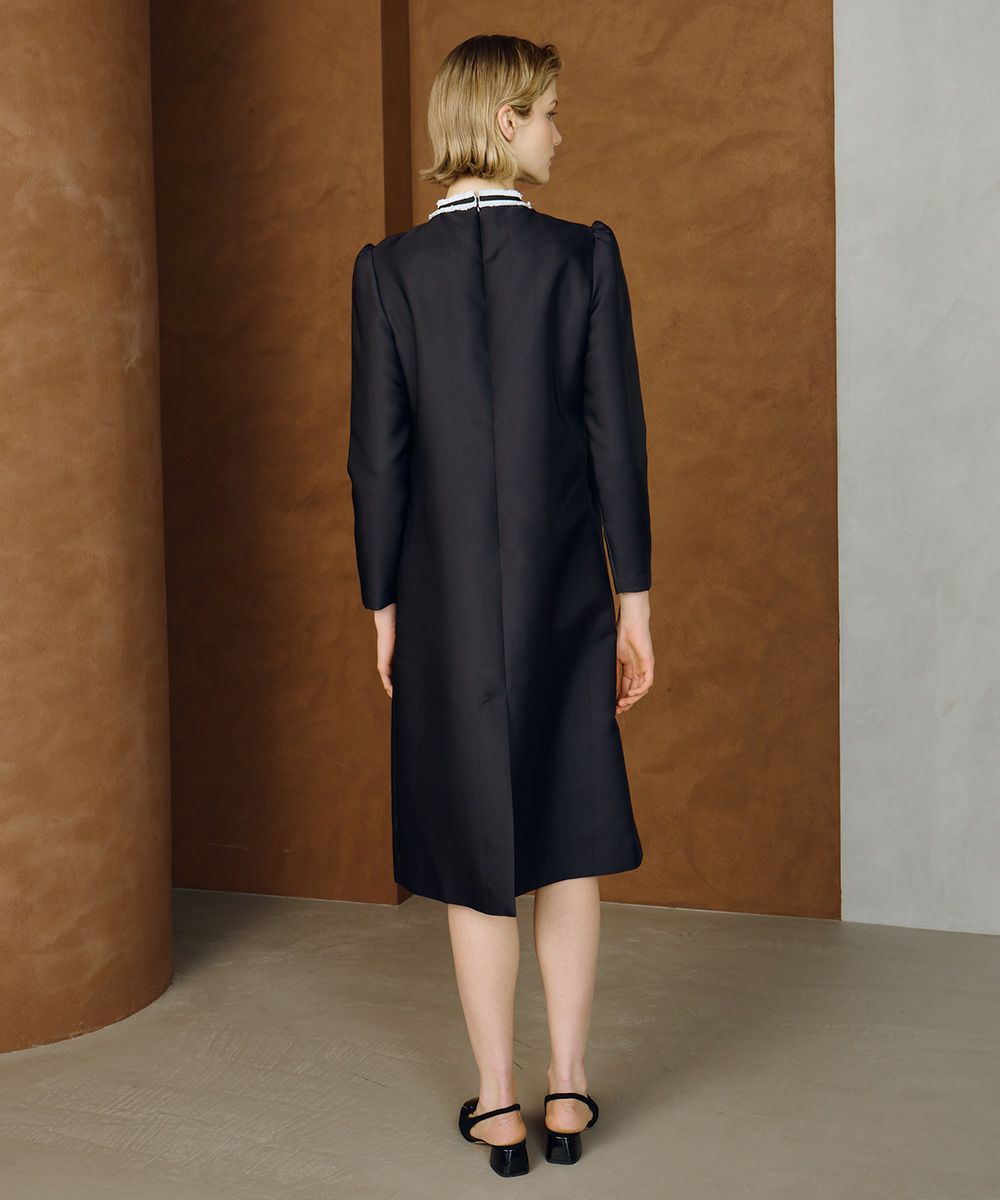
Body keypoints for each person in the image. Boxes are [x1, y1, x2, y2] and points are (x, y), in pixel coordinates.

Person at [347, 34, 654, 1178]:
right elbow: (617, 444)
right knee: (565, 842)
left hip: (442, 607)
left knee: (477, 850)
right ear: (506, 119)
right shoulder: (582, 258)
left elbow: (376, 463)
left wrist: (382, 606)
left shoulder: (388, 272)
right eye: (550, 112)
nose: (561, 133)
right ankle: (568, 1090)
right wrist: (635, 604)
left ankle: (498, 1105)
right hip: (565, 596)